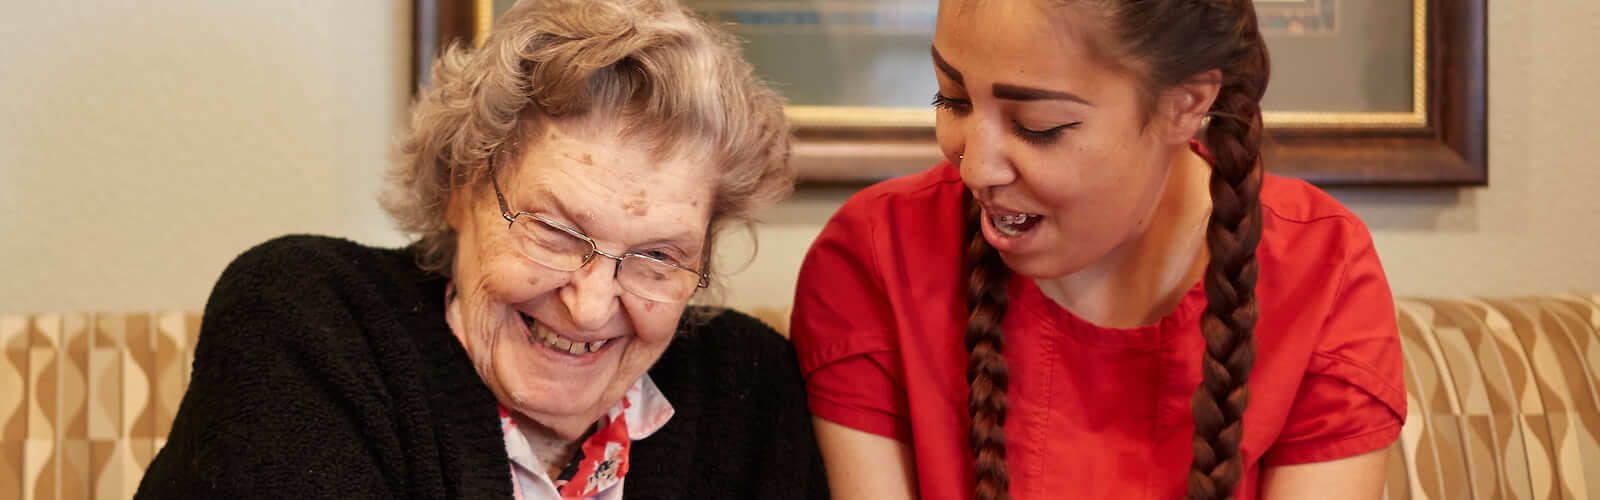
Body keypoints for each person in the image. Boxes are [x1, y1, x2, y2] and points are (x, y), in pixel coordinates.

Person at [136, 0, 826, 498]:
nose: (589, 309)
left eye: (655, 257)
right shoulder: (307, 320)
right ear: (460, 188)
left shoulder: (748, 388)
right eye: (555, 231)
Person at [790, 1, 1405, 499]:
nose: (974, 168)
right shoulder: (872, 257)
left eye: (1038, 125)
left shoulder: (1324, 271)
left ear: (1186, 104)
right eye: (952, 99)